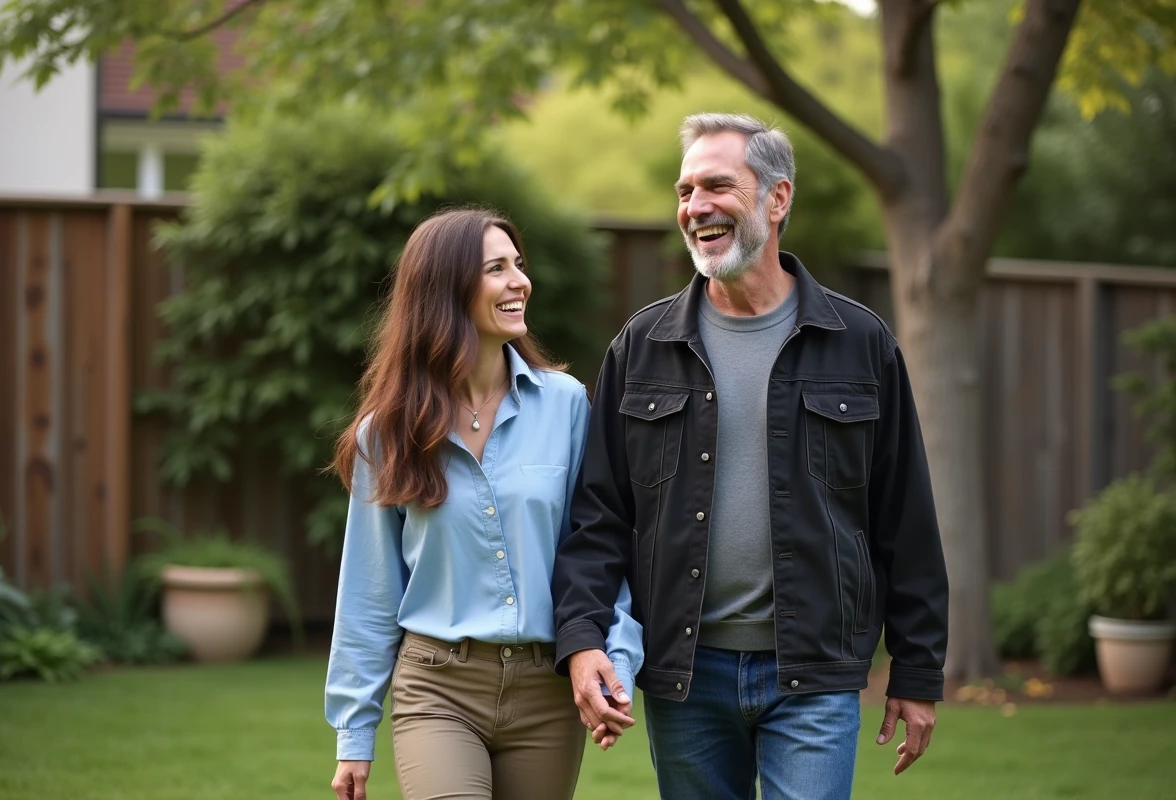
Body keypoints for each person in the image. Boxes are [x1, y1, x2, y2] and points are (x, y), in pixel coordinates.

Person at [552, 113, 949, 799]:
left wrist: (916, 670)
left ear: (777, 197)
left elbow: (904, 517)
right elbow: (599, 518)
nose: (695, 206)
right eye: (685, 191)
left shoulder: (859, 342)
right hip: (686, 673)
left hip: (815, 670)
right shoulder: (642, 347)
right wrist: (584, 638)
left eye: (717, 185)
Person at [325, 208, 643, 800]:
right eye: (496, 269)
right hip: (437, 686)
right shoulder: (387, 433)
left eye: (518, 265)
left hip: (547, 688)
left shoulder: (566, 405)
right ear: (445, 291)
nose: (520, 281)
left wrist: (614, 658)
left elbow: (600, 544)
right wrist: (354, 732)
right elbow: (369, 590)